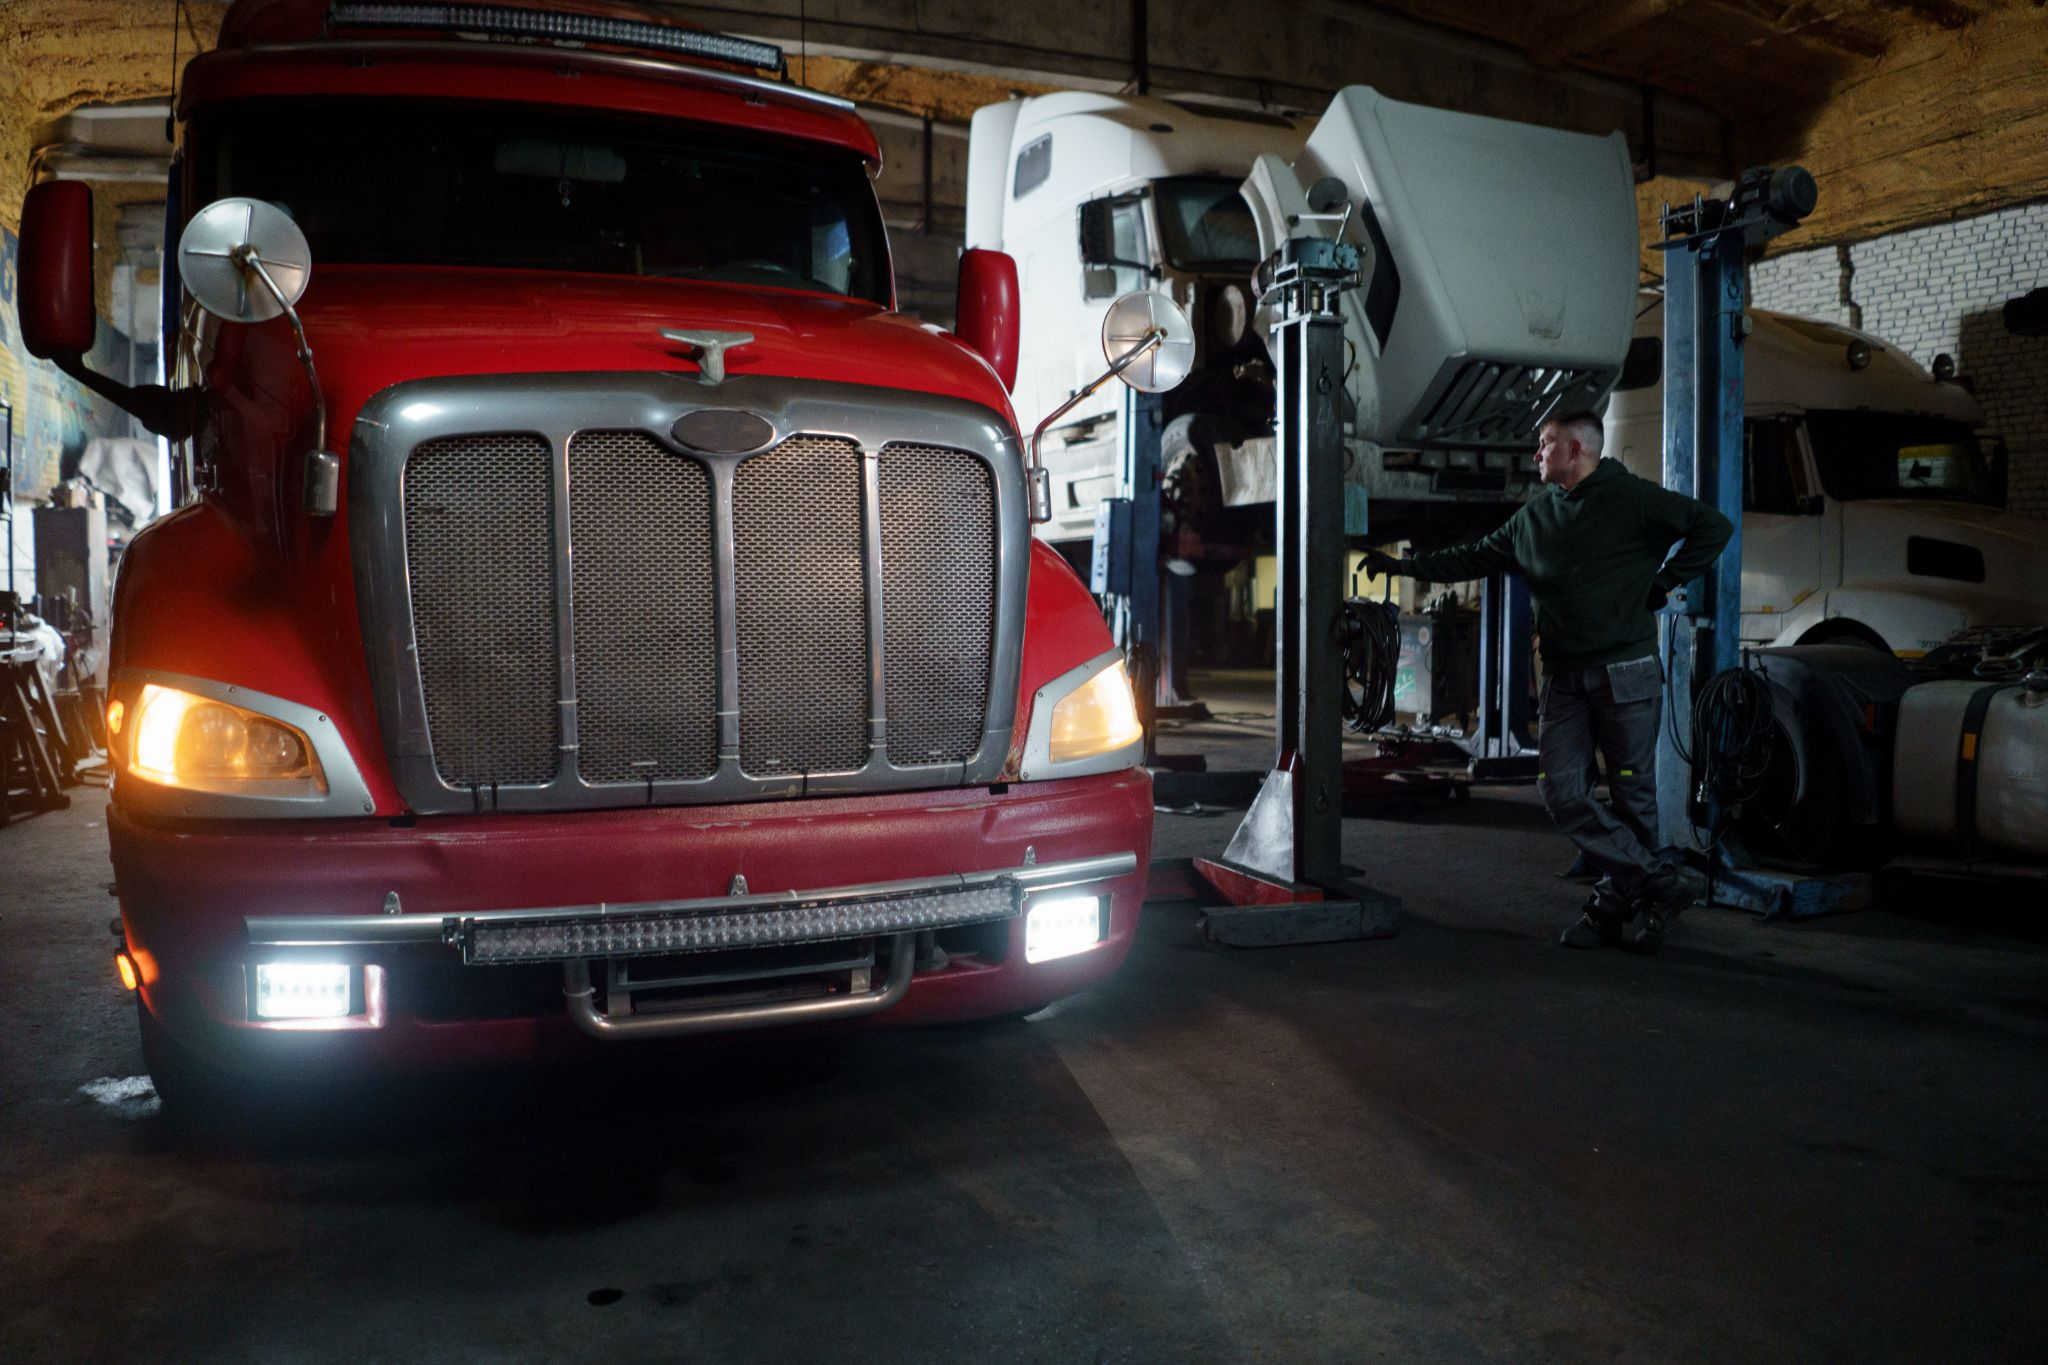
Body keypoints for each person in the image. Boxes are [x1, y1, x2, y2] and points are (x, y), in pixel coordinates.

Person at [1367, 411, 1733, 952]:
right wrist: (1406, 568)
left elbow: (1714, 527)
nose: (1536, 454)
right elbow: (1473, 556)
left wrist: (1665, 583)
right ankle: (1658, 883)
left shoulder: (1633, 499)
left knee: (1633, 796)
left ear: (1578, 448)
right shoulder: (1533, 518)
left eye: (1545, 444)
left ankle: (1610, 912)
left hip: (1625, 677)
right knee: (1561, 792)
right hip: (1564, 679)